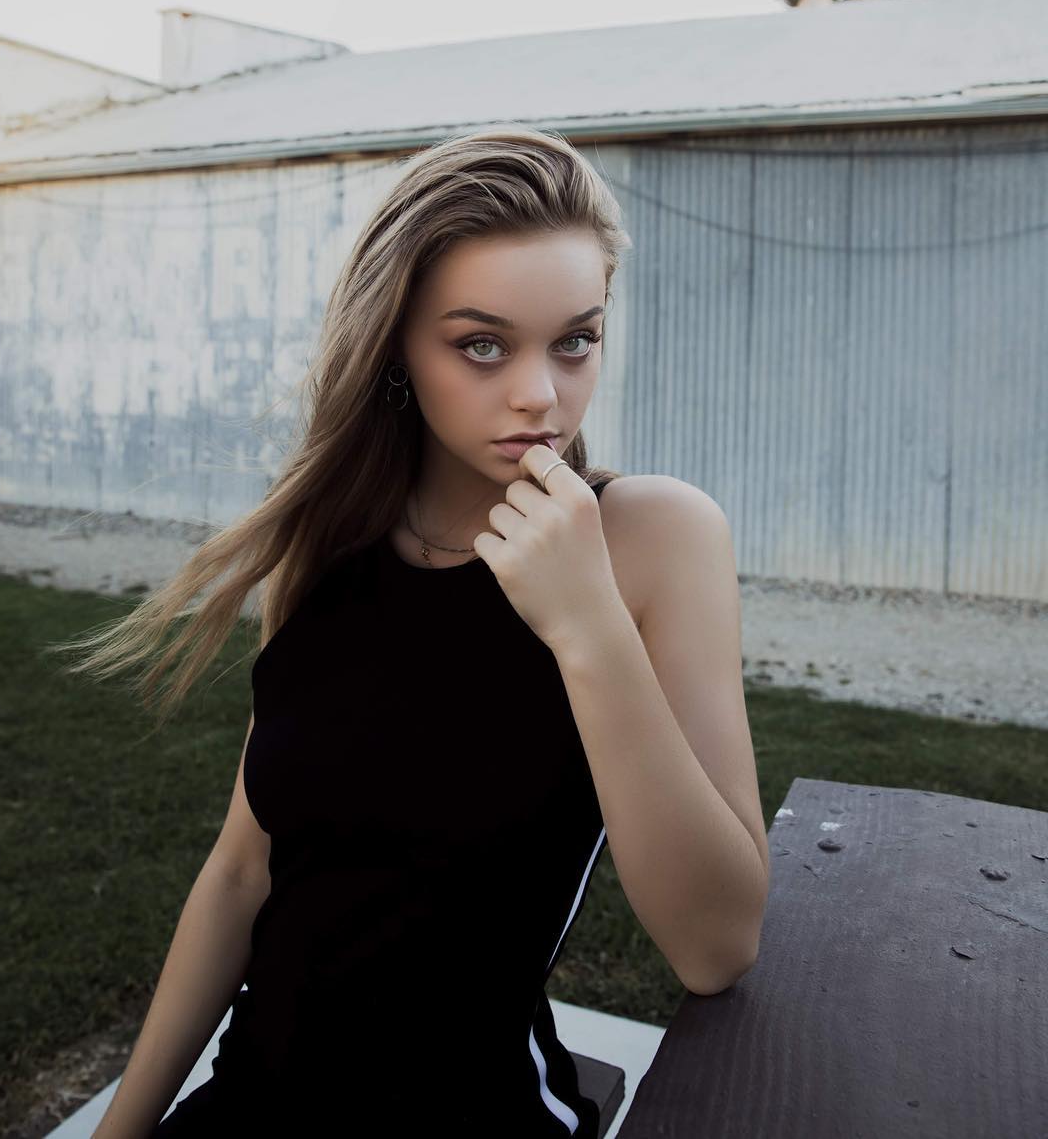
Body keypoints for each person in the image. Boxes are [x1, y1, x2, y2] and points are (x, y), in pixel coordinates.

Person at [56, 126, 644, 1136]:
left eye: (575, 340)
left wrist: (587, 622)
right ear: (396, 348)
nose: (541, 394)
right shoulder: (333, 543)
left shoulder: (645, 536)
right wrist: (121, 1132)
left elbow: (715, 946)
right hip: (251, 1104)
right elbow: (242, 872)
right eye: (482, 344)